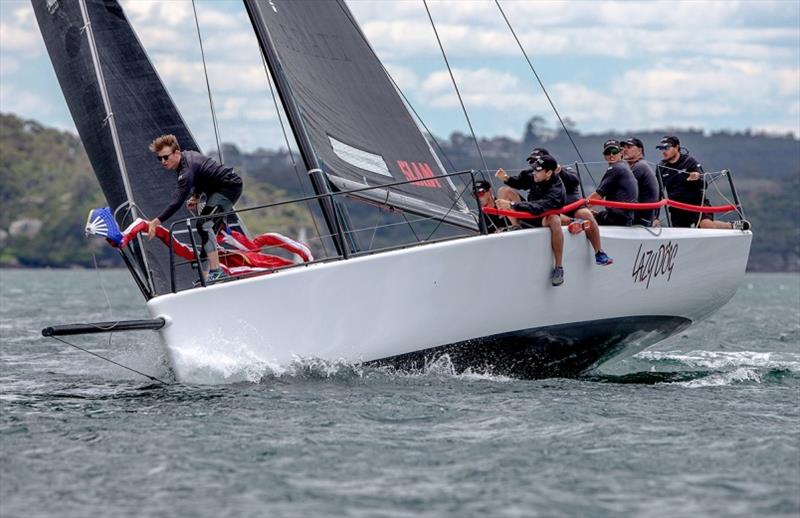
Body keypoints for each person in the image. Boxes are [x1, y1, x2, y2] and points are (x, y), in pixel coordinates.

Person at [147, 134, 243, 281]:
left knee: (204, 225)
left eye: (166, 157)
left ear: (177, 153)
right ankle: (209, 273)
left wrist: (156, 221)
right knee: (207, 226)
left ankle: (216, 272)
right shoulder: (186, 158)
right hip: (216, 189)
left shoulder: (186, 171)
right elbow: (201, 176)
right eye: (159, 158)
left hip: (229, 187)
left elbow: (177, 201)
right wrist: (196, 196)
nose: (163, 162)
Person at [526, 148, 613, 266]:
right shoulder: (535, 177)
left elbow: (574, 181)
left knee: (585, 214)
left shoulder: (564, 170)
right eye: (532, 162)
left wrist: (559, 171)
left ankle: (599, 252)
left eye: (536, 161)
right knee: (552, 215)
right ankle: (574, 223)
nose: (533, 166)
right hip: (554, 212)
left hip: (574, 208)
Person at [495, 155, 566, 286]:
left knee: (555, 220)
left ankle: (559, 267)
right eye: (534, 169)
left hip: (542, 216)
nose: (534, 172)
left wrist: (512, 206)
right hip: (528, 210)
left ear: (549, 173)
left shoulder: (557, 190)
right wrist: (506, 178)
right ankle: (515, 226)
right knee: (504, 190)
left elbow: (539, 207)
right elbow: (521, 181)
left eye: (537, 170)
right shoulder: (536, 175)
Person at [655, 135, 749, 229]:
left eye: (666, 148)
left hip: (697, 204)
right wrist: (655, 217)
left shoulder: (689, 161)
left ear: (676, 147)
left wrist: (697, 178)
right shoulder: (660, 167)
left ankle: (730, 226)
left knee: (706, 225)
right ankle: (729, 225)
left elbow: (704, 184)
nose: (663, 151)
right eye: (661, 149)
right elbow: (658, 193)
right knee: (682, 233)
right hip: (677, 209)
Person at [587, 139, 638, 227]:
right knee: (594, 214)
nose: (611, 155)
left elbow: (598, 196)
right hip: (625, 218)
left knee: (581, 217)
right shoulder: (624, 165)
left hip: (617, 219)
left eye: (614, 151)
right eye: (608, 152)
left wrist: (580, 208)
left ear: (621, 152)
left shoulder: (615, 168)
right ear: (604, 155)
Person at [621, 137, 659, 226]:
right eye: (623, 147)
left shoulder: (640, 167)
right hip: (643, 217)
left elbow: (622, 191)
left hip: (640, 221)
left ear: (639, 150)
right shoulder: (639, 165)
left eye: (629, 147)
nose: (625, 150)